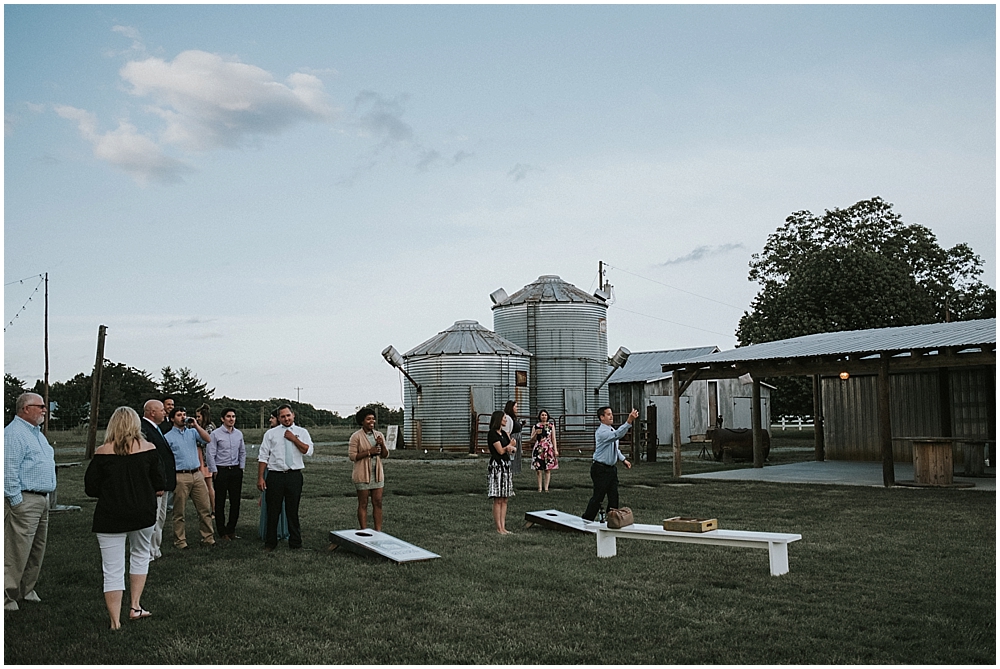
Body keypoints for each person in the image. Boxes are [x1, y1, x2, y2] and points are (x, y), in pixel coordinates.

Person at [84, 407, 164, 629]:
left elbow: (90, 488)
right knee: (140, 555)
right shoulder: (149, 449)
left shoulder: (102, 452)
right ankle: (135, 606)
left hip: (110, 516)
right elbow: (160, 483)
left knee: (112, 568)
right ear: (135, 424)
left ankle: (115, 621)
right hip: (143, 514)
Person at [4, 393, 56, 612]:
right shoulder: (14, 434)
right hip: (24, 499)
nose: (45, 410)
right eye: (40, 406)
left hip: (40, 500)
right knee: (15, 549)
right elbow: (7, 470)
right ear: (25, 409)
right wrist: (16, 501)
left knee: (36, 549)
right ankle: (7, 595)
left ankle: (27, 589)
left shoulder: (36, 434)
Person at [257, 404, 313, 551]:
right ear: (278, 418)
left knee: (292, 510)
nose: (286, 418)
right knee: (273, 510)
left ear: (293, 415)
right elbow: (263, 456)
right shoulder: (271, 434)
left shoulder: (302, 432)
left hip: (294, 476)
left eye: (288, 415)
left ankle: (295, 543)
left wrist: (294, 439)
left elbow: (308, 451)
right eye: (282, 416)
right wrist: (261, 478)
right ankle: (270, 543)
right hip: (275, 476)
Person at [163, 406, 216, 549]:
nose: (182, 417)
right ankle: (180, 541)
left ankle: (208, 538)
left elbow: (208, 439)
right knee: (179, 511)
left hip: (197, 474)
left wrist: (196, 425)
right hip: (180, 476)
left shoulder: (192, 432)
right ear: (172, 418)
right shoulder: (167, 437)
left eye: (184, 414)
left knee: (204, 508)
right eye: (179, 415)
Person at [582, 407, 637, 522]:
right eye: (608, 414)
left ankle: (612, 519)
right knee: (599, 496)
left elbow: (615, 448)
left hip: (611, 469)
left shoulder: (611, 429)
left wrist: (623, 460)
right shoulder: (602, 432)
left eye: (611, 414)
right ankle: (587, 519)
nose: (611, 416)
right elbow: (618, 435)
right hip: (600, 469)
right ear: (602, 417)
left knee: (614, 496)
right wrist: (629, 421)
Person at [140, 399, 174, 560]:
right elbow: (151, 460)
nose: (164, 412)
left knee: (161, 518)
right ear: (152, 412)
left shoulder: (157, 429)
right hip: (155, 483)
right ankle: (147, 551)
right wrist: (157, 482)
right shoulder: (144, 429)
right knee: (153, 517)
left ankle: (155, 549)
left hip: (164, 481)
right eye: (161, 410)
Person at [207, 408, 246, 541]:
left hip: (235, 470)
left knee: (235, 502)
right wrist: (214, 470)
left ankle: (231, 529)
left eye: (233, 416)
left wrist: (241, 467)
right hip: (221, 470)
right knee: (220, 502)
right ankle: (221, 531)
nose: (231, 419)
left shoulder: (239, 434)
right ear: (222, 419)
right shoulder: (215, 434)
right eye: (228, 416)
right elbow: (210, 453)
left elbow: (242, 452)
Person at [348, 407, 389, 531]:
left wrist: (381, 444)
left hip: (377, 474)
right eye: (368, 419)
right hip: (362, 475)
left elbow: (385, 455)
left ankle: (378, 531)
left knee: (378, 502)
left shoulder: (379, 435)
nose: (372, 421)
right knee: (363, 503)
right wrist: (369, 452)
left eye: (373, 419)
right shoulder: (356, 437)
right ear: (362, 421)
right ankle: (364, 530)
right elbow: (352, 456)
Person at [257, 410, 288, 542]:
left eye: (272, 418)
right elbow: (263, 455)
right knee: (269, 503)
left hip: (281, 471)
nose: (270, 420)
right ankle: (269, 531)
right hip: (269, 470)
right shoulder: (269, 435)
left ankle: (282, 531)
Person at [487, 410, 516, 535]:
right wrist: (509, 446)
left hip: (506, 466)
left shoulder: (504, 433)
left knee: (505, 498)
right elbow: (500, 451)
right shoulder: (492, 434)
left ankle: (504, 527)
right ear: (498, 419)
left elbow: (511, 450)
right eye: (504, 418)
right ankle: (498, 527)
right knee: (498, 498)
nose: (506, 420)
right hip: (497, 467)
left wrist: (511, 447)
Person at [194, 404, 217, 519]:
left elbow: (207, 441)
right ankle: (203, 510)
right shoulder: (197, 426)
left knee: (208, 485)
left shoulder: (209, 427)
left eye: (198, 416)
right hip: (198, 457)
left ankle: (213, 510)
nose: (197, 419)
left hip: (204, 458)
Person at [529, 409, 559, 492]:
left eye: (545, 415)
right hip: (538, 448)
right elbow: (531, 439)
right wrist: (536, 433)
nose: (544, 416)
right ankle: (539, 488)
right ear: (539, 416)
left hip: (548, 448)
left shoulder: (551, 426)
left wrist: (555, 450)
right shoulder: (536, 426)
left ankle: (546, 488)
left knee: (547, 469)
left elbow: (553, 438)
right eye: (542, 415)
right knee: (538, 469)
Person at [502, 400, 523, 476]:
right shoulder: (507, 418)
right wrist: (510, 442)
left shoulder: (513, 418)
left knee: (516, 457)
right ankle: (509, 471)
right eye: (515, 406)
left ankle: (513, 472)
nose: (517, 408)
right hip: (513, 438)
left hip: (517, 438)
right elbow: (507, 431)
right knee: (512, 456)